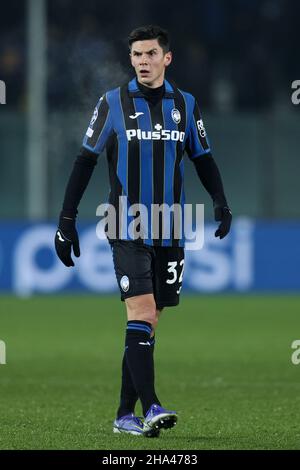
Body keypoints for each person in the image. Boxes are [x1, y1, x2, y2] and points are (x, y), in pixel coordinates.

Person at [54, 25, 232, 437]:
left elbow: (203, 157)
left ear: (166, 58)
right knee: (142, 312)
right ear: (130, 60)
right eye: (136, 55)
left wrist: (220, 201)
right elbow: (85, 161)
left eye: (151, 54)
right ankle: (151, 406)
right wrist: (66, 220)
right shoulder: (112, 103)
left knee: (149, 323)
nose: (143, 62)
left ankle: (123, 415)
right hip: (125, 222)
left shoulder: (185, 105)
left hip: (171, 226)